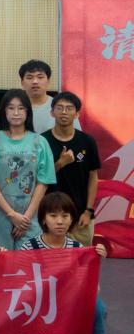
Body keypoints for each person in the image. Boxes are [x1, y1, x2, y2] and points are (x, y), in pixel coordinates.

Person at [19, 191, 107, 334]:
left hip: (69, 299)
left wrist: (96, 258)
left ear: (72, 219)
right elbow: (21, 282)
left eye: (65, 216)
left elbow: (91, 285)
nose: (60, 221)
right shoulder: (29, 247)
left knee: (97, 307)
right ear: (43, 220)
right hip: (40, 300)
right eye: (53, 216)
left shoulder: (78, 249)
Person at [0, 89, 56, 250]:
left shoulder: (40, 142)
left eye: (21, 108)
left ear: (28, 112)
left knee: (28, 261)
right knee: (1, 260)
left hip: (30, 216)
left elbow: (43, 182)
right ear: (4, 111)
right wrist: (11, 214)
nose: (16, 113)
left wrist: (25, 218)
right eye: (11, 108)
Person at [43, 91, 100, 246]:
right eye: (59, 108)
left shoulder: (87, 141)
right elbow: (38, 178)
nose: (64, 112)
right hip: (50, 214)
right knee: (52, 259)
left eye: (69, 108)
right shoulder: (42, 141)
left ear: (77, 114)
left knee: (82, 258)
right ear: (52, 112)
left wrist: (88, 211)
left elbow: (93, 177)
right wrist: (60, 163)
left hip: (81, 215)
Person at [19, 59, 83, 134]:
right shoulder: (13, 108)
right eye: (30, 78)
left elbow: (75, 137)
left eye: (40, 77)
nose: (35, 81)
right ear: (22, 83)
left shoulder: (61, 107)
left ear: (48, 81)